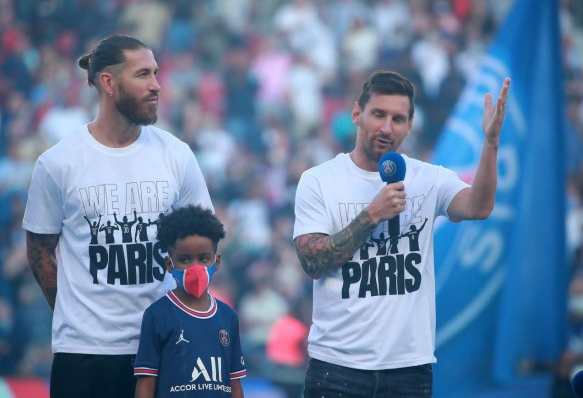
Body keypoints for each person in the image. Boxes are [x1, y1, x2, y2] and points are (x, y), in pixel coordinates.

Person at [292, 69, 510, 397]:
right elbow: (312, 262)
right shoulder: (318, 180)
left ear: (410, 125)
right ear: (357, 114)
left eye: (397, 119)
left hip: (408, 369)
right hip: (336, 368)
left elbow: (478, 207)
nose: (386, 127)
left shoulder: (429, 178)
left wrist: (491, 143)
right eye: (378, 114)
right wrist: (371, 215)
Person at [22, 34, 213, 398]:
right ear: (108, 83)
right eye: (143, 75)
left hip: (163, 347)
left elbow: (204, 244)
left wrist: (185, 318)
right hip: (83, 355)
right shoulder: (58, 162)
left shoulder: (177, 155)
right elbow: (39, 249)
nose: (157, 85)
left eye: (156, 74)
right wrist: (76, 311)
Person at [133, 204, 246, 398]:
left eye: (203, 259)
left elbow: (234, 383)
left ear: (216, 262)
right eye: (185, 260)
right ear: (170, 264)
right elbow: (146, 383)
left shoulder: (228, 317)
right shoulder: (157, 315)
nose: (195, 268)